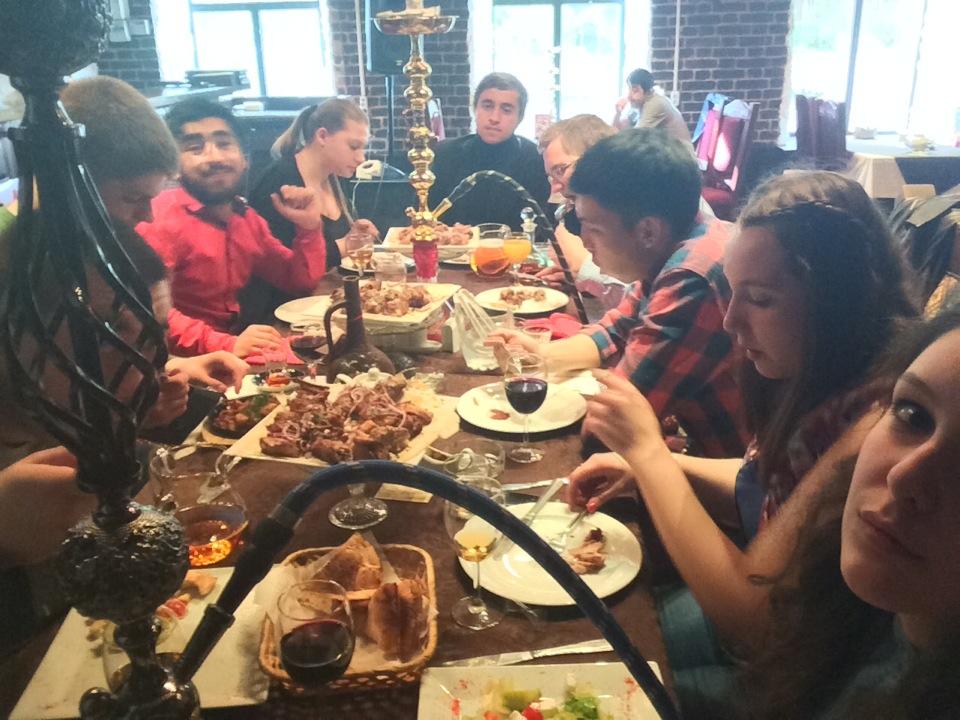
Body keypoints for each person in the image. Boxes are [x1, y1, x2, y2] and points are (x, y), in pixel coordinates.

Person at [567, 171, 916, 717]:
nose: (731, 322)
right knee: (588, 624)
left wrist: (651, 455)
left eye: (761, 300)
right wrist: (658, 467)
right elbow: (758, 484)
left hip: (818, 680)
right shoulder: (822, 376)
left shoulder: (877, 419)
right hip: (788, 650)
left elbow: (754, 620)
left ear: (838, 301)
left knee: (597, 669)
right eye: (733, 294)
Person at [1, 78, 248, 468]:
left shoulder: (86, 240)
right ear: (69, 180)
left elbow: (90, 351)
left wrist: (171, 367)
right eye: (133, 197)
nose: (147, 215)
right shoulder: (17, 257)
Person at [744, 306, 960, 720]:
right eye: (913, 415)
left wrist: (649, 454)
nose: (903, 477)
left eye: (762, 297)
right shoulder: (857, 610)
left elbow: (743, 606)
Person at [489, 128, 746, 458]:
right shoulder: (680, 238)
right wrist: (538, 357)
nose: (584, 241)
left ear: (647, 231)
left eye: (593, 228)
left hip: (738, 475)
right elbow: (615, 329)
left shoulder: (691, 278)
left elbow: (611, 424)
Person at [140, 98, 328, 357]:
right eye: (195, 148)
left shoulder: (245, 219)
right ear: (174, 167)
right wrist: (224, 343)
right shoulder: (159, 220)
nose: (215, 157)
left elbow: (299, 282)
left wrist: (309, 227)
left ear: (244, 158)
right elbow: (149, 310)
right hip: (177, 365)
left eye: (224, 144)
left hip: (231, 355)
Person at [240, 98, 380, 324]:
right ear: (322, 136)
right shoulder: (279, 180)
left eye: (363, 148)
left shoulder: (335, 176)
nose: (361, 158)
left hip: (325, 302)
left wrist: (354, 233)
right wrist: (344, 246)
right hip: (278, 316)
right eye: (354, 146)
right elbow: (280, 266)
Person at [428, 72, 550, 229]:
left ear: (519, 117)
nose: (494, 118)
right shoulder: (446, 154)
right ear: (474, 109)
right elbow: (428, 216)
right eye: (487, 106)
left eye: (506, 110)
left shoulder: (535, 159)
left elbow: (540, 225)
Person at [535, 114, 627, 308]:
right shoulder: (578, 212)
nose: (555, 188)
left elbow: (650, 301)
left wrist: (583, 267)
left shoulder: (636, 210)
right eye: (551, 176)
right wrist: (575, 281)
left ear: (599, 159)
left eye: (561, 170)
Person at [612, 68, 692, 148]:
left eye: (635, 91)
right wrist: (618, 113)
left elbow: (634, 140)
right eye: (629, 89)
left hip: (680, 154)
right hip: (668, 151)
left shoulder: (656, 103)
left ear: (648, 91)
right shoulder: (639, 104)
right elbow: (616, 133)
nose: (629, 96)